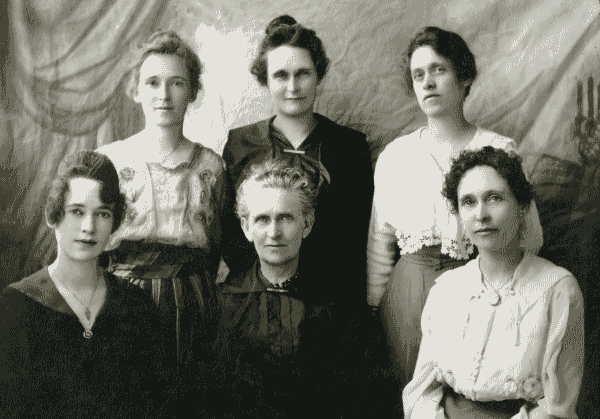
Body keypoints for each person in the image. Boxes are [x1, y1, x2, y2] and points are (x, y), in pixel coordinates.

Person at [367, 26, 544, 398]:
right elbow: (380, 244)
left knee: (476, 396)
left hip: (487, 291)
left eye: (439, 70)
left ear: (464, 77)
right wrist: (376, 306)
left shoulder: (499, 149)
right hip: (410, 297)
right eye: (419, 75)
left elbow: (531, 238)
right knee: (418, 399)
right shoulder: (395, 157)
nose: (428, 83)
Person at [403, 146, 583, 418]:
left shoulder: (558, 289)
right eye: (468, 202)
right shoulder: (445, 289)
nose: (481, 215)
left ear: (522, 207)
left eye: (495, 198)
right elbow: (422, 392)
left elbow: (557, 406)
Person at [96, 30, 227, 394]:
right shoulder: (111, 159)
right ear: (135, 90)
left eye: (177, 83)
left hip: (194, 297)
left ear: (193, 92)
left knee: (189, 396)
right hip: (124, 295)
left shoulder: (210, 166)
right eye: (152, 82)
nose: (163, 95)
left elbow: (217, 245)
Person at [223, 15, 374, 315]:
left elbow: (359, 235)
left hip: (332, 304)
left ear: (318, 76)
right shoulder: (241, 144)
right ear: (265, 79)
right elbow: (231, 232)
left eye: (303, 73)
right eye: (280, 75)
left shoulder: (349, 147)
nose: (293, 86)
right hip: (258, 299)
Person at [0, 151, 167, 419]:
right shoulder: (14, 307)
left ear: (114, 222)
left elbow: (155, 403)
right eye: (77, 211)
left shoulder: (136, 306)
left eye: (102, 213)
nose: (89, 227)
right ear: (53, 215)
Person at [213, 157, 352, 418]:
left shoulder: (339, 307)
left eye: (286, 218)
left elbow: (356, 397)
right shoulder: (223, 305)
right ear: (246, 227)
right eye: (262, 219)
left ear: (307, 224)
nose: (274, 232)